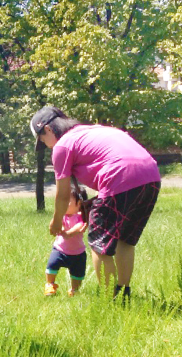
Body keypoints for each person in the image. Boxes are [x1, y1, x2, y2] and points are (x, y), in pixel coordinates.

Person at [30, 106, 161, 299]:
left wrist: (57, 221)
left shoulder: (62, 146)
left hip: (120, 176)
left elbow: (63, 194)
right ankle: (123, 295)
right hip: (151, 177)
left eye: (42, 140)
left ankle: (109, 301)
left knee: (100, 245)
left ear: (48, 129)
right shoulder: (96, 129)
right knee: (125, 240)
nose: (46, 145)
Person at [44, 183, 88, 297]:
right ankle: (50, 284)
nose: (63, 204)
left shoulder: (82, 217)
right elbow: (55, 224)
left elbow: (78, 228)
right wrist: (59, 226)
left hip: (78, 253)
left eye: (67, 201)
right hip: (60, 249)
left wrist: (68, 233)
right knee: (52, 265)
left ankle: (74, 290)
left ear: (78, 204)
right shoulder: (61, 215)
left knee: (77, 274)